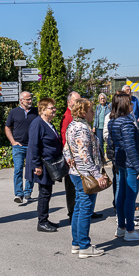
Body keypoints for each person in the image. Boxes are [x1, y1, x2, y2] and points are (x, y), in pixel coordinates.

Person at [64, 98, 110, 258]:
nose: (93, 114)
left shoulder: (72, 125)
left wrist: (69, 159)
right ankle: (84, 245)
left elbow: (66, 148)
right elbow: (84, 155)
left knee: (79, 208)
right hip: (85, 174)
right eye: (91, 111)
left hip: (76, 173)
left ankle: (77, 243)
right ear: (83, 112)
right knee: (85, 209)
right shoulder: (82, 128)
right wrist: (97, 175)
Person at [108, 92, 139, 241]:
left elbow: (111, 144)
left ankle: (121, 228)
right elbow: (130, 147)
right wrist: (138, 167)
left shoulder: (113, 121)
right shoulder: (126, 123)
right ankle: (130, 231)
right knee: (130, 196)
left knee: (121, 194)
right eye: (130, 103)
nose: (132, 105)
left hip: (120, 162)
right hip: (130, 164)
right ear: (124, 105)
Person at [25, 98, 62, 233]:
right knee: (44, 193)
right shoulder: (38, 124)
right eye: (51, 108)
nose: (54, 110)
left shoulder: (48, 123)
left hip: (49, 163)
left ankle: (45, 219)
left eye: (54, 107)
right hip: (42, 164)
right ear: (42, 110)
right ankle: (42, 222)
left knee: (47, 192)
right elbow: (34, 146)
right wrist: (37, 165)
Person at [5, 91, 37, 205]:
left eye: (31, 99)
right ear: (21, 100)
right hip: (18, 146)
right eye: (27, 99)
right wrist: (13, 142)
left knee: (31, 170)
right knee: (18, 169)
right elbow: (7, 127)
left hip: (32, 146)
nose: (30, 101)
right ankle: (18, 194)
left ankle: (28, 192)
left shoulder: (36, 111)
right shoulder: (14, 112)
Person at [60, 91, 81, 222]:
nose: (79, 102)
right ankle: (72, 212)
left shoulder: (75, 115)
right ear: (69, 102)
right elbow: (64, 138)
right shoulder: (67, 117)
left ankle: (85, 210)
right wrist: (70, 156)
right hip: (71, 158)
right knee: (71, 187)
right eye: (76, 100)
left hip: (78, 156)